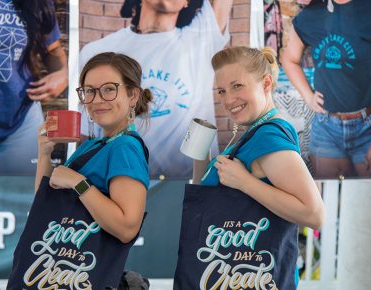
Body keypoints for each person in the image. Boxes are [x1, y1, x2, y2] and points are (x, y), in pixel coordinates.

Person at [195, 46, 325, 287]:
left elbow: (314, 214)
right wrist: (200, 154)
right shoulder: (253, 134)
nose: (228, 99)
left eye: (237, 86)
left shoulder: (268, 137)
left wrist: (246, 183)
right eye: (221, 91)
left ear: (266, 83)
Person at [79, 0, 233, 179]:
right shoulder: (97, 51)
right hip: (120, 184)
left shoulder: (201, 38)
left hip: (189, 188)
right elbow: (88, 134)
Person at [37, 51, 151, 249]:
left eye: (108, 89)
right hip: (65, 268)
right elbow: (44, 203)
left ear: (133, 95)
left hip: (87, 271)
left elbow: (127, 229)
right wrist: (44, 152)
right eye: (90, 91)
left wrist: (78, 182)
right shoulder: (95, 145)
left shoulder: (125, 147)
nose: (97, 99)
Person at [0, 0, 68, 176]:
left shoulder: (38, 3)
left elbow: (52, 50)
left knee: (22, 198)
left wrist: (62, 73)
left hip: (20, 123)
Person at [282, 0, 371, 178]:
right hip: (326, 128)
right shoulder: (309, 17)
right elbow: (289, 59)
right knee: (329, 197)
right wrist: (308, 96)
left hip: (367, 127)